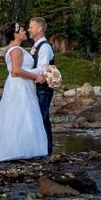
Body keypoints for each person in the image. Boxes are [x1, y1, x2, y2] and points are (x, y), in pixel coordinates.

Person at [0, 22, 49, 162]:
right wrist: (36, 76)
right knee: (22, 115)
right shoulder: (16, 50)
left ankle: (17, 148)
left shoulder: (14, 49)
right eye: (23, 30)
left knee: (17, 115)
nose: (25, 32)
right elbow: (16, 71)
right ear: (16, 34)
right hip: (20, 86)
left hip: (19, 85)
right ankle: (21, 149)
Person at [28, 16, 57, 154]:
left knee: (40, 117)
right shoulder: (36, 46)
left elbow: (42, 69)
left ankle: (45, 150)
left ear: (39, 29)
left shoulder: (44, 47)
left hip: (43, 88)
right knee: (42, 119)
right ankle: (46, 149)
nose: (29, 29)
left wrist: (23, 73)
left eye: (31, 27)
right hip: (37, 87)